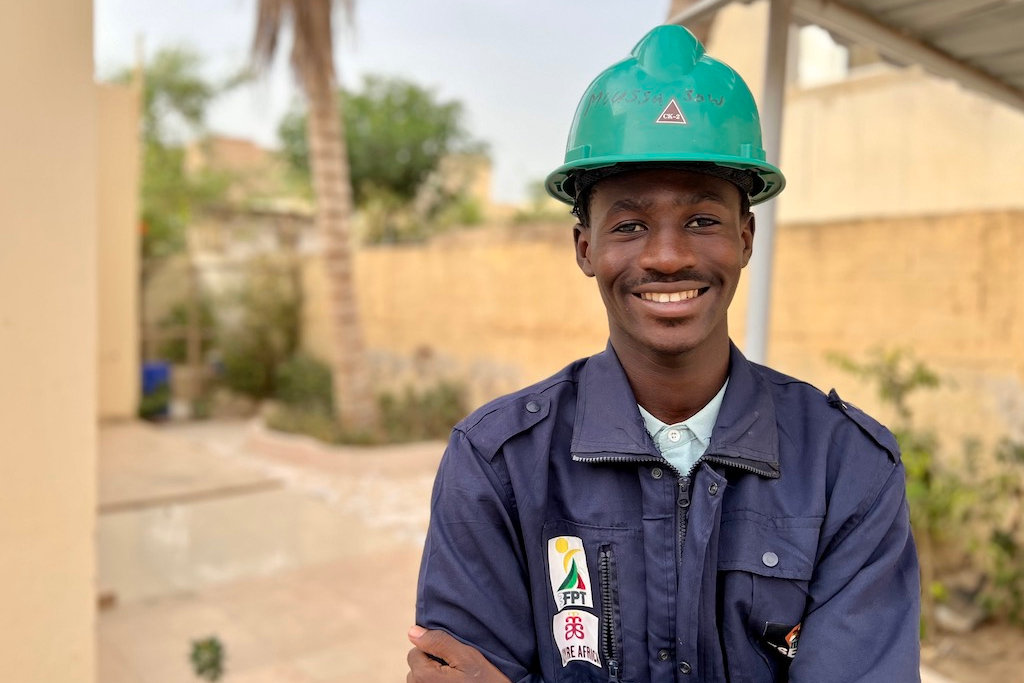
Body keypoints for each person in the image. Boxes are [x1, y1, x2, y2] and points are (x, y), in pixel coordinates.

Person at [407, 24, 921, 683]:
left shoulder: (847, 467)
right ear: (585, 247)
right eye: (629, 223)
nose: (668, 255)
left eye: (702, 220)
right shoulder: (498, 466)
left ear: (745, 236)